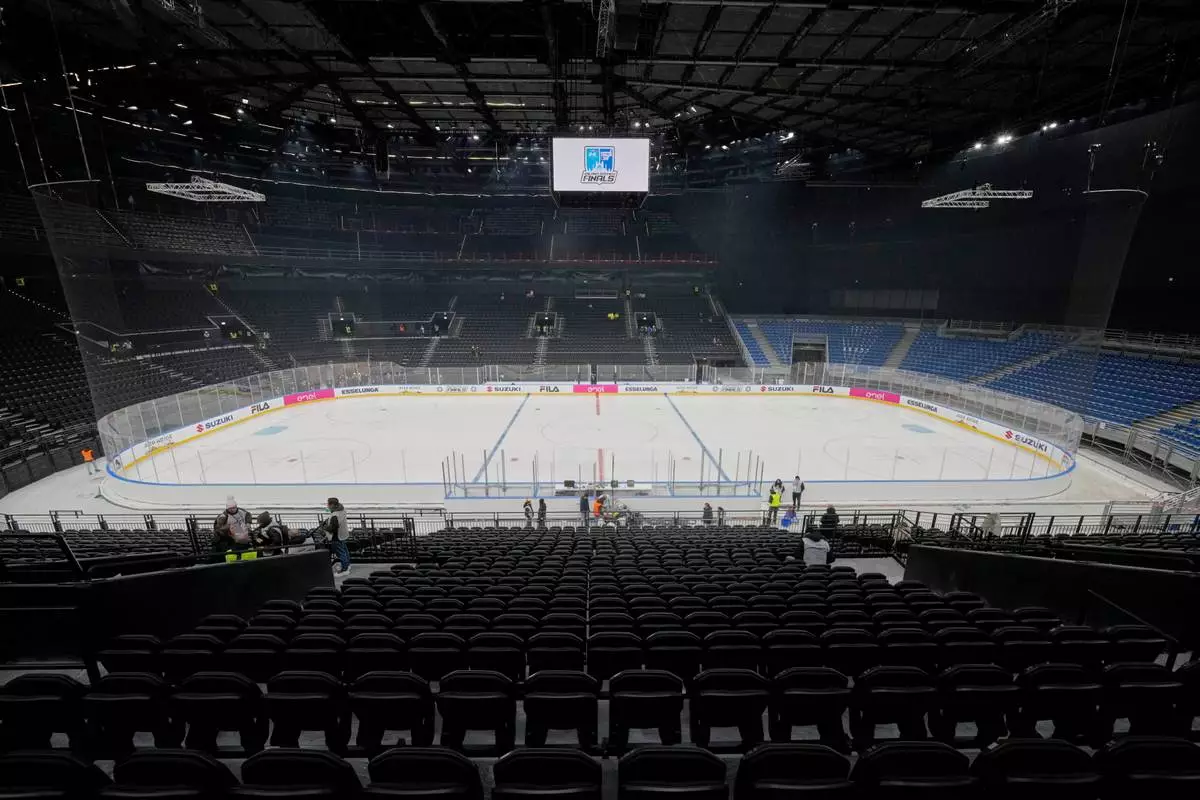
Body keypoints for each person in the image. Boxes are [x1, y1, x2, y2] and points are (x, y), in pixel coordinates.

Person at [320, 497, 350, 574]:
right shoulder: (342, 510)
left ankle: (344, 569)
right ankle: (347, 565)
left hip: (337, 536)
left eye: (328, 504)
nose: (327, 506)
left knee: (341, 552)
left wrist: (324, 527)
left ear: (332, 505)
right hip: (343, 534)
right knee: (345, 551)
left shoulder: (335, 515)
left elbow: (333, 528)